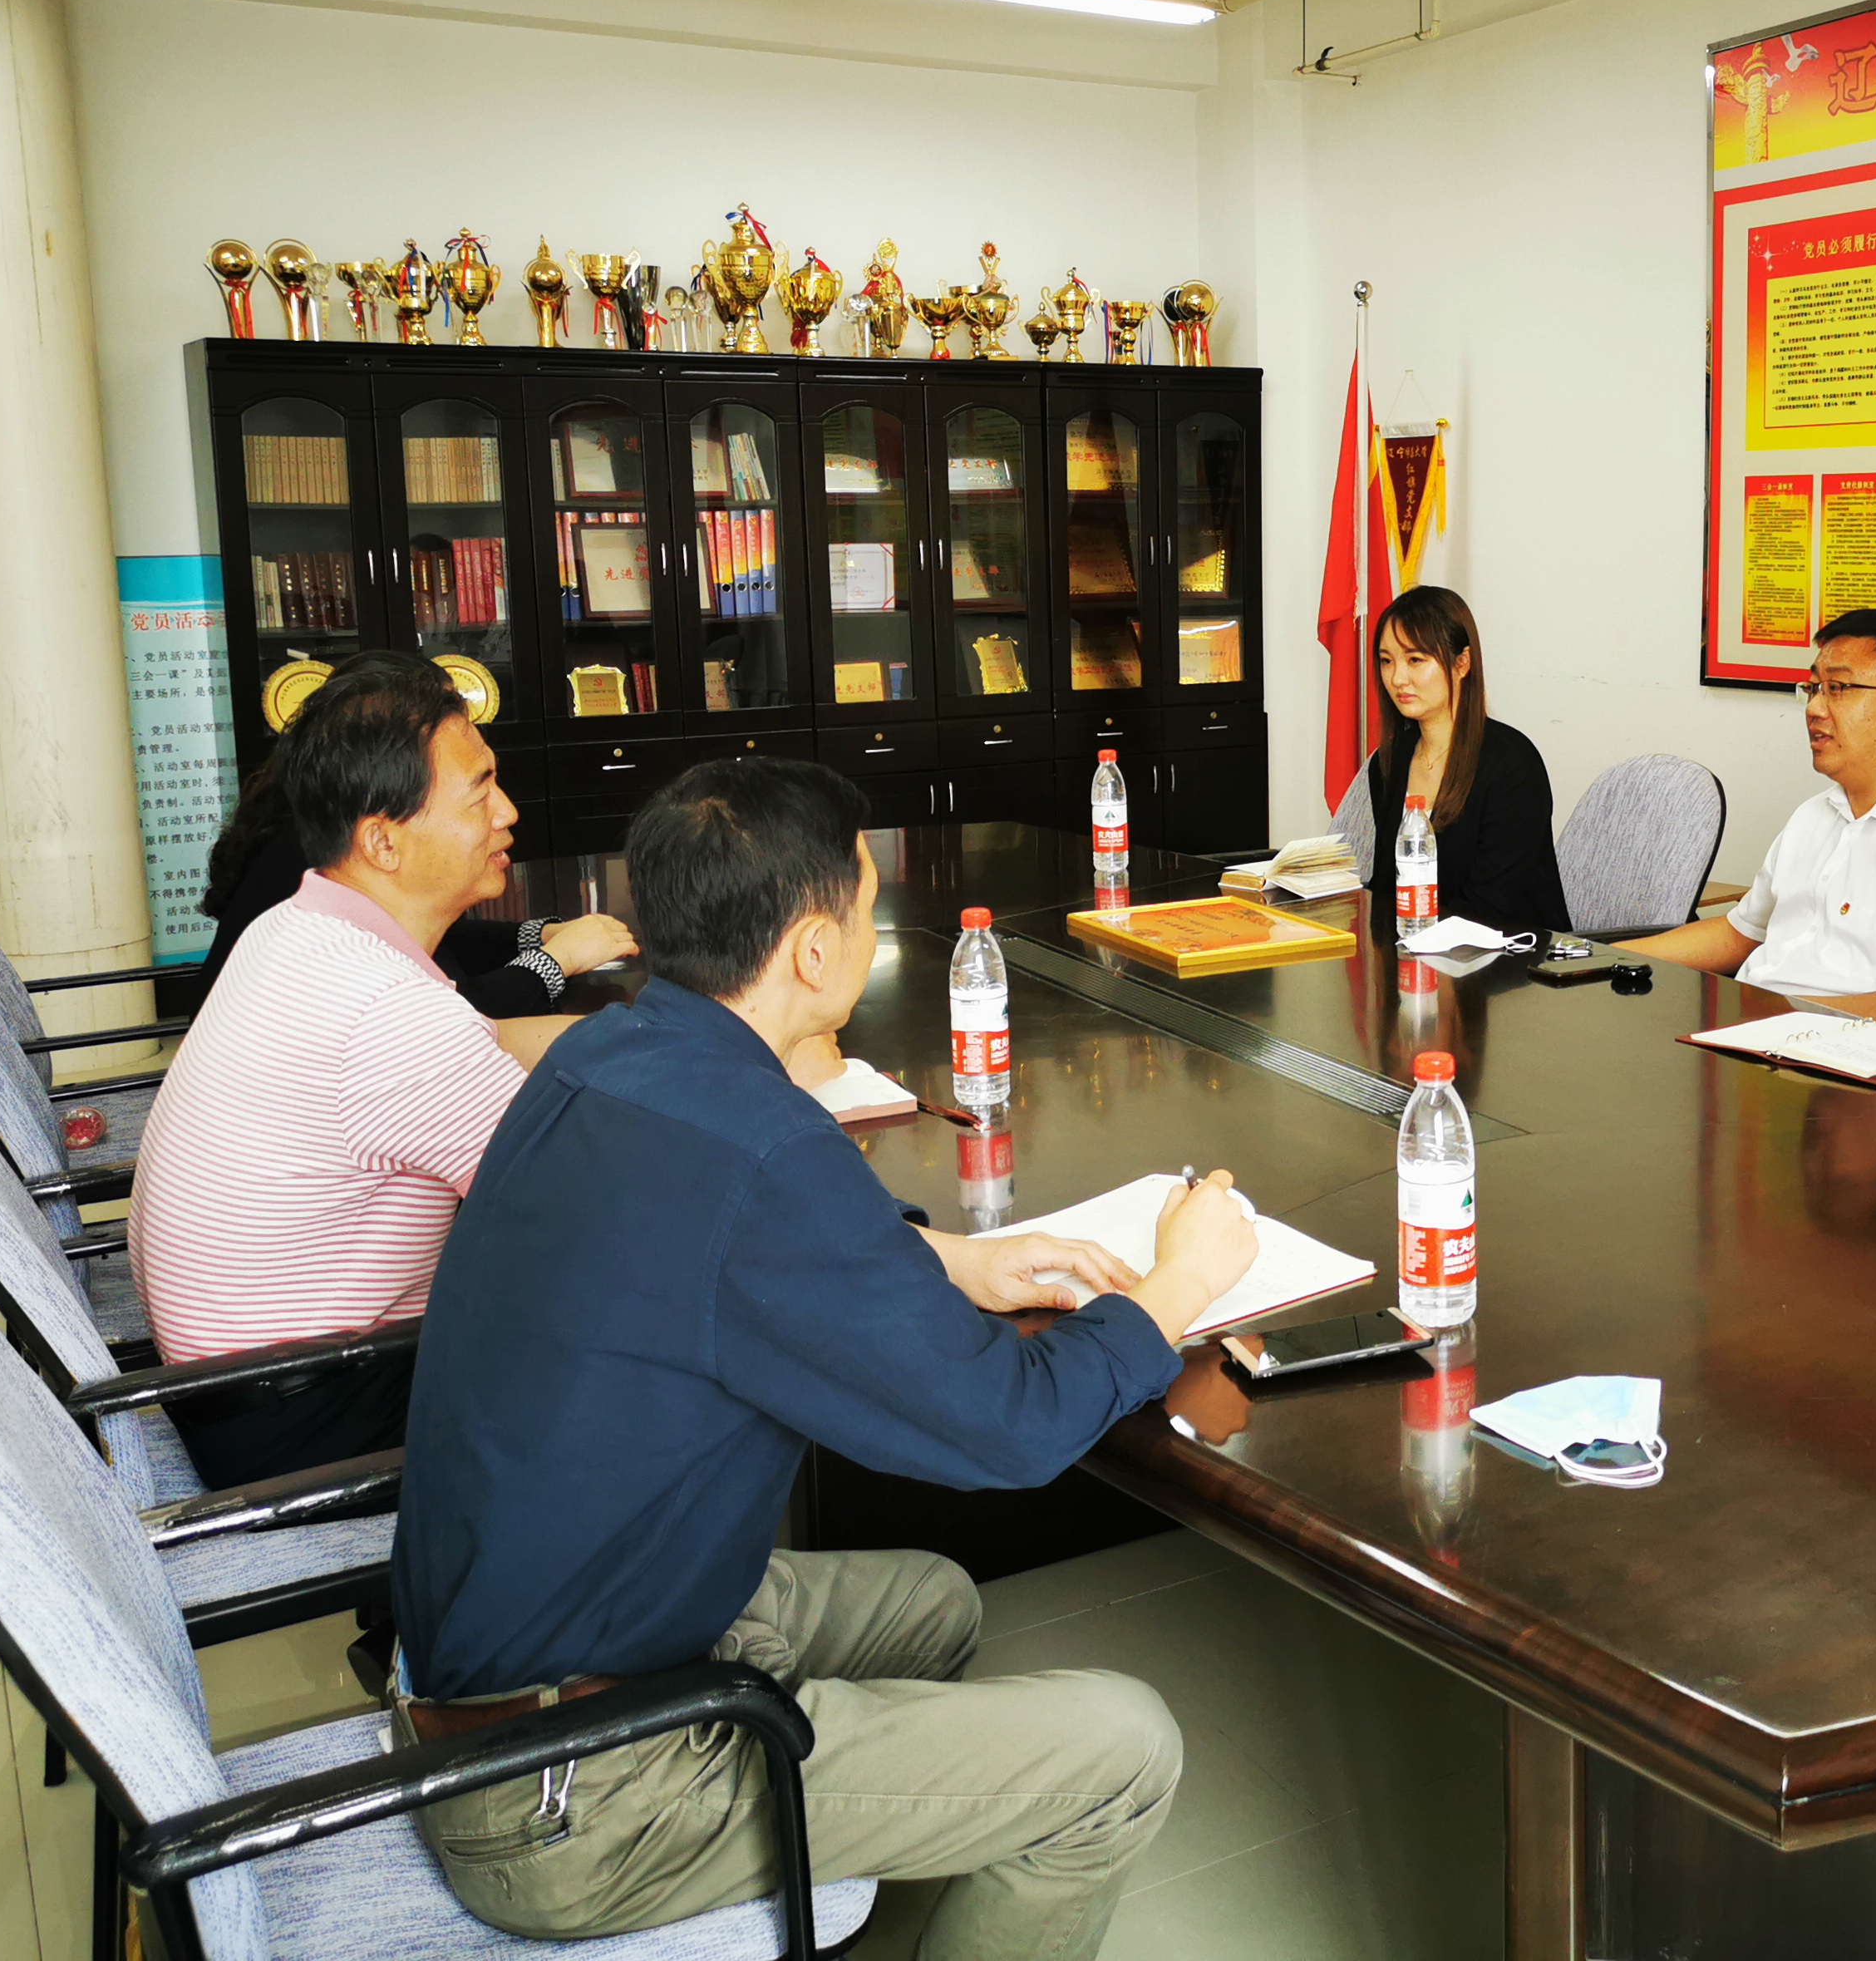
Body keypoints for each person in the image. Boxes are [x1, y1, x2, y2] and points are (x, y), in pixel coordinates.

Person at [390, 757, 1258, 1953]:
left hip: (509, 1655)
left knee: (933, 1603)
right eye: (863, 903)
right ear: (811, 950)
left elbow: (705, 1238)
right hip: (572, 1791)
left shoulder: (603, 1055)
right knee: (1125, 1750)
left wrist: (954, 1260)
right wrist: (1176, 1289)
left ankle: (860, 1853)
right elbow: (1009, 1429)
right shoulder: (764, 1147)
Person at [128, 657, 559, 1490]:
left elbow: (486, 1043)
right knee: (644, 1313)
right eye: (480, 792)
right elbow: (586, 1201)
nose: (507, 812)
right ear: (383, 840)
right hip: (315, 1423)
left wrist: (639, 1040)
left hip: (228, 1383)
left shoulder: (297, 928)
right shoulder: (387, 1015)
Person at [1627, 609, 1876, 1035]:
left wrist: (1778, 1016)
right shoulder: (1814, 815)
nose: (1814, 708)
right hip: (1751, 1037)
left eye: (1838, 688)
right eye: (1813, 688)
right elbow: (1740, 935)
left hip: (1844, 1057)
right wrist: (1602, 956)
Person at [198, 653, 636, 1014]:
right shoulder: (325, 865)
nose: (507, 813)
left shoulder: (324, 830)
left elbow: (438, 947)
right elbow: (461, 1014)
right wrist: (556, 961)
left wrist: (536, 936)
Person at [1359, 585, 1572, 936]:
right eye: (1386, 661)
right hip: (1419, 951)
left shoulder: (1512, 766)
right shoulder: (1390, 761)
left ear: (1462, 663)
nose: (1397, 678)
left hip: (1510, 957)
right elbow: (1386, 888)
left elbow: (1493, 908)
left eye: (1415, 660)